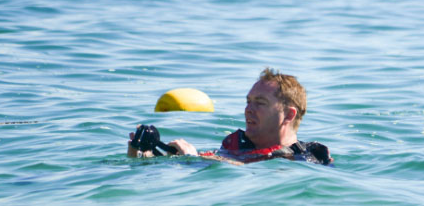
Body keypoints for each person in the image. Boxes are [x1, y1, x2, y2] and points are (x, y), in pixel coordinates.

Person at [127, 68, 333, 165]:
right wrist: (143, 151)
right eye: (248, 101)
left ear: (288, 115)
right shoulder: (235, 147)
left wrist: (193, 158)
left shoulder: (305, 158)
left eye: (260, 103)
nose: (248, 109)